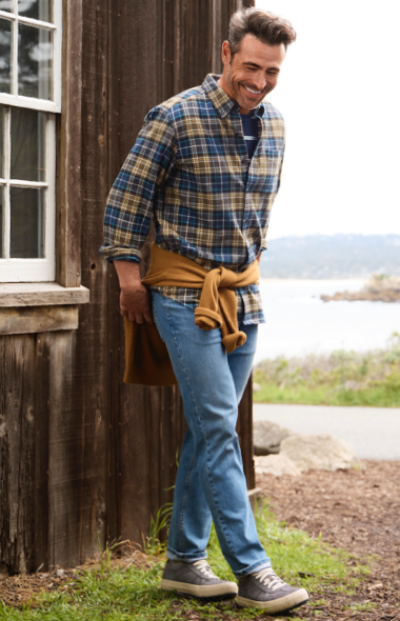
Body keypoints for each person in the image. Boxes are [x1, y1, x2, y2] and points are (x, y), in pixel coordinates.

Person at [100, 7, 308, 614]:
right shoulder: (174, 118)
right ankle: (252, 569)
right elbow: (124, 205)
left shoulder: (276, 126)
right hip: (182, 296)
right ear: (225, 54)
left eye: (272, 72)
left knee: (206, 428)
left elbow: (256, 218)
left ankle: (184, 562)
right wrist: (129, 281)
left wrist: (249, 276)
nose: (260, 82)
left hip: (244, 298)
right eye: (251, 67)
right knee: (220, 426)